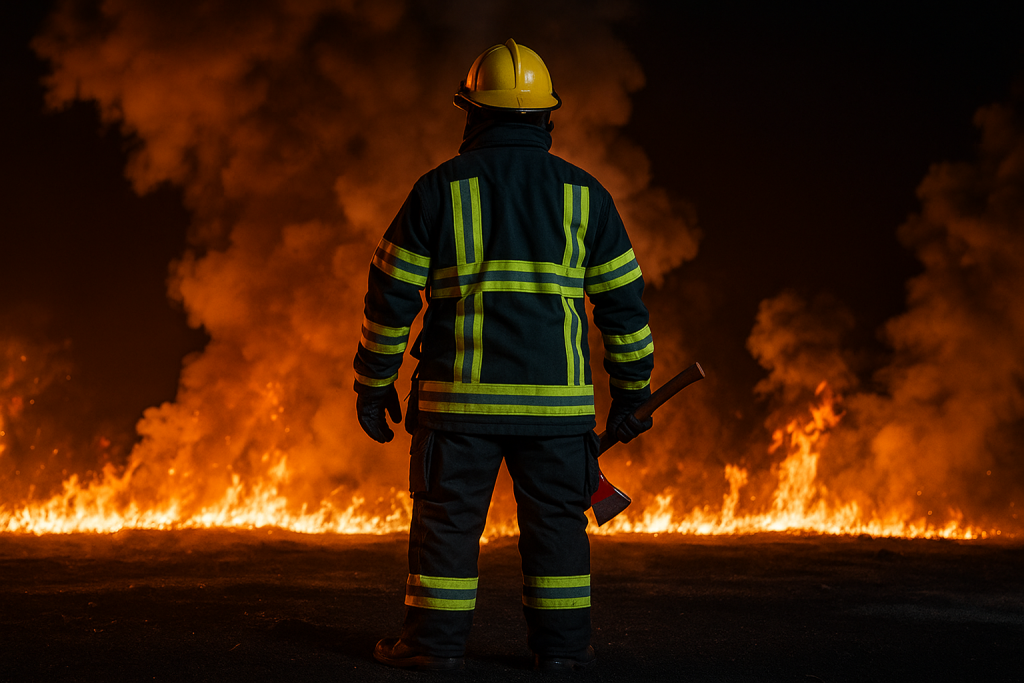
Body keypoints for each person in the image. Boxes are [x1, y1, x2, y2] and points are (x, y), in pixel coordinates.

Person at [353, 39, 654, 672]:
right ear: (547, 117)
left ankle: (431, 648)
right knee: (557, 532)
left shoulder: (438, 191)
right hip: (556, 415)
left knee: (447, 527)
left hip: (456, 406)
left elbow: (391, 299)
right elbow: (624, 307)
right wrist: (632, 392)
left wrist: (374, 383)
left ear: (471, 112)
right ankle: (564, 652)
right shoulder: (585, 196)